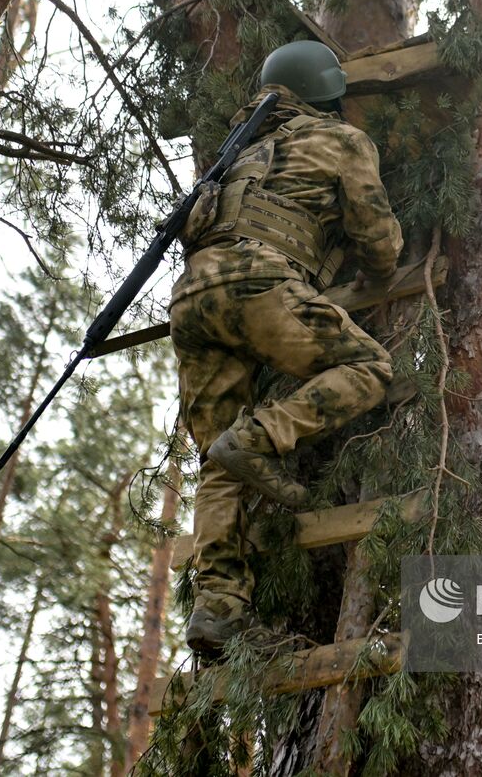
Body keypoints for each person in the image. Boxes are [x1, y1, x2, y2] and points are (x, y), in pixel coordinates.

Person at [169, 40, 403, 653]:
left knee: (216, 464)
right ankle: (259, 439)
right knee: (369, 366)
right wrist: (376, 273)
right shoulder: (342, 140)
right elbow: (379, 240)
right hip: (260, 285)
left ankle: (218, 607)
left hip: (191, 299)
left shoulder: (239, 151)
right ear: (328, 89)